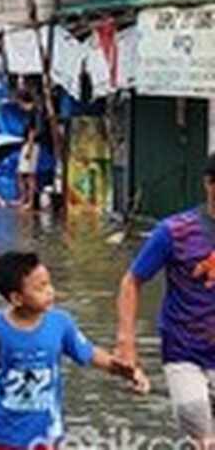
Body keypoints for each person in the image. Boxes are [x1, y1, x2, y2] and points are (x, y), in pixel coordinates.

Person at [0, 252, 147, 450]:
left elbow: (89, 353)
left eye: (49, 283)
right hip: (5, 434)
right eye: (40, 288)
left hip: (47, 431)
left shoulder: (60, 323)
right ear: (16, 298)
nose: (50, 291)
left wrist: (127, 371)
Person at [116, 152, 215, 448]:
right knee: (202, 435)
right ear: (209, 184)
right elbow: (132, 282)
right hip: (185, 350)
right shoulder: (174, 231)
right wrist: (127, 342)